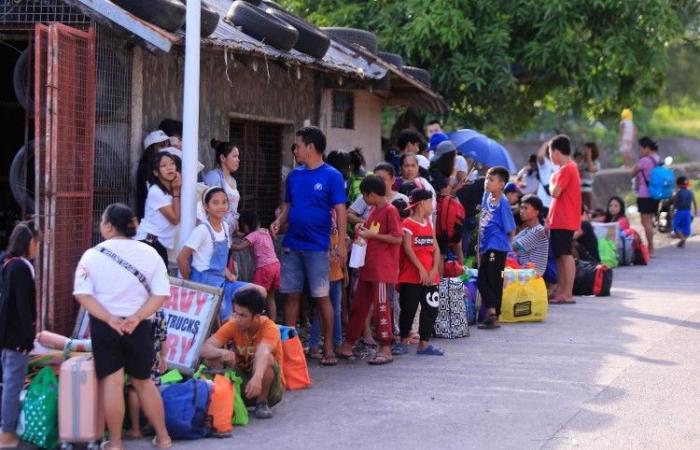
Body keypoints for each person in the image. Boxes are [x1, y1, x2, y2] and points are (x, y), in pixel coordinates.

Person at [73, 203, 171, 450]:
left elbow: (82, 295)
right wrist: (138, 317)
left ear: (108, 226)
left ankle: (115, 443)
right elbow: (161, 294)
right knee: (144, 382)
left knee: (113, 383)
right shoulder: (150, 253)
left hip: (107, 328)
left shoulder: (92, 255)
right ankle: (163, 438)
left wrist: (108, 318)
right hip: (139, 327)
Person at [270, 126, 347, 366]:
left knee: (322, 298)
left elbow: (340, 211)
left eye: (298, 145)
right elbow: (289, 205)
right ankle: (288, 350)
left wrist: (342, 243)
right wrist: (279, 220)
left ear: (310, 147)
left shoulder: (332, 176)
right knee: (291, 297)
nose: (295, 150)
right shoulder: (294, 176)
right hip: (292, 244)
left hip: (318, 247)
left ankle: (329, 349)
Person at [337, 176, 402, 365]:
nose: (363, 201)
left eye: (364, 197)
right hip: (368, 266)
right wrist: (360, 227)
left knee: (382, 307)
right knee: (359, 306)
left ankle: (385, 347)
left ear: (371, 195)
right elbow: (370, 232)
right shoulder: (374, 211)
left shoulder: (390, 211)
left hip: (382, 269)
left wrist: (373, 235)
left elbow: (397, 238)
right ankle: (348, 344)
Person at [200, 286, 284, 419]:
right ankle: (226, 399)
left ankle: (262, 403)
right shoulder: (234, 324)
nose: (237, 318)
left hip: (269, 388)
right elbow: (205, 348)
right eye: (235, 313)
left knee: (266, 359)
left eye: (243, 315)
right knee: (211, 358)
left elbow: (264, 352)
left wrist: (257, 377)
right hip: (243, 382)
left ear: (256, 317)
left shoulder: (270, 328)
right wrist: (221, 352)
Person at [0, 223, 40, 449]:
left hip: (6, 336)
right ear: (29, 243)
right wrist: (28, 338)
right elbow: (24, 308)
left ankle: (6, 429)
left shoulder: (7, 264)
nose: (36, 248)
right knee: (13, 385)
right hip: (16, 339)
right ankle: (7, 435)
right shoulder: (22, 268)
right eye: (36, 243)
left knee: (9, 384)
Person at [177, 187, 241, 321]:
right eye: (215, 203)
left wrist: (229, 274)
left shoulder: (225, 226)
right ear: (206, 206)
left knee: (258, 291)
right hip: (205, 282)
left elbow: (220, 262)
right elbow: (182, 259)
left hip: (222, 280)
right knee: (228, 321)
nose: (221, 206)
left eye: (224, 202)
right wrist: (191, 282)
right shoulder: (202, 230)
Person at [392, 188, 442, 356]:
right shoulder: (407, 224)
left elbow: (435, 248)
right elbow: (407, 248)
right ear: (422, 203)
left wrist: (434, 270)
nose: (432, 205)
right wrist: (421, 268)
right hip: (411, 277)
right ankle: (403, 341)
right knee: (409, 308)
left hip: (430, 277)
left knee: (430, 308)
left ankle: (424, 343)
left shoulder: (429, 223)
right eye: (430, 202)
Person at [477, 166, 516, 329]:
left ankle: (494, 314)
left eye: (491, 180)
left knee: (492, 279)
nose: (487, 182)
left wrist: (509, 250)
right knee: (483, 279)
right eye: (487, 178)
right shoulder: (486, 195)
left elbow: (511, 228)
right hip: (486, 245)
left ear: (501, 184)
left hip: (497, 248)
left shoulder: (504, 203)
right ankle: (493, 313)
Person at [308, 210, 348, 359]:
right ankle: (314, 345)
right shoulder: (319, 236)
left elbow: (341, 255)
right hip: (322, 277)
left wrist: (345, 273)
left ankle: (336, 343)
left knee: (335, 311)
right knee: (322, 312)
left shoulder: (337, 234)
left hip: (336, 276)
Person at [546, 135, 581, 304]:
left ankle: (567, 293)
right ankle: (561, 290)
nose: (551, 158)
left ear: (557, 152)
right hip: (560, 219)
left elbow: (555, 192)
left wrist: (551, 180)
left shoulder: (567, 169)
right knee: (560, 255)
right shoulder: (568, 168)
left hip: (564, 219)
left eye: (551, 153)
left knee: (565, 255)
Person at [230, 211, 281, 322]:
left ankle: (256, 323)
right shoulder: (265, 231)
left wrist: (226, 245)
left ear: (246, 225)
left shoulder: (253, 235)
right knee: (270, 297)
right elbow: (244, 235)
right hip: (276, 266)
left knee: (256, 296)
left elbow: (239, 247)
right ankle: (272, 323)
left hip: (264, 268)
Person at [126, 309, 167, 439]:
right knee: (152, 387)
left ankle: (135, 429)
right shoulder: (158, 311)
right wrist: (164, 356)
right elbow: (163, 337)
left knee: (133, 389)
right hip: (152, 354)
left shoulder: (131, 307)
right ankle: (153, 425)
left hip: (132, 352)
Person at [135, 152, 181, 266]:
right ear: (156, 172)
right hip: (149, 242)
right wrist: (176, 192)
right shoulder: (156, 191)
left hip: (158, 243)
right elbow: (175, 219)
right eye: (163, 165)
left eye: (172, 163)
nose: (169, 167)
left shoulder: (171, 189)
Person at [632, 136, 661, 257]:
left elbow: (633, 172)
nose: (640, 151)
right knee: (649, 221)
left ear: (646, 148)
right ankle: (651, 247)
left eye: (640, 148)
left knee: (646, 222)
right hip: (655, 194)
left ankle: (651, 249)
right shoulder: (657, 159)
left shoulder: (644, 161)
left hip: (644, 194)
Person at [203, 140, 241, 232]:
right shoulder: (214, 176)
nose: (238, 160)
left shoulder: (233, 180)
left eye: (238, 156)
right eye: (235, 156)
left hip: (228, 233)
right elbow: (205, 204)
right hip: (214, 231)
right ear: (223, 158)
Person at [136, 130, 171, 219]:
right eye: (162, 145)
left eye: (167, 145)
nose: (166, 148)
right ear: (151, 148)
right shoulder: (146, 166)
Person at [512, 195, 548, 275]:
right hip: (523, 272)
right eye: (521, 208)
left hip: (531, 276)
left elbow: (513, 246)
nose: (521, 211)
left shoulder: (539, 230)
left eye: (525, 208)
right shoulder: (527, 230)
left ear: (536, 212)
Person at [672, 176, 697, 248]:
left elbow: (675, 203)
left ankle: (682, 238)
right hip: (688, 212)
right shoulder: (690, 192)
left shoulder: (678, 193)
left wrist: (673, 211)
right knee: (686, 228)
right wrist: (695, 211)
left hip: (680, 212)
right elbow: (694, 202)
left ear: (678, 185)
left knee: (676, 226)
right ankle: (682, 242)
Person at [536, 140, 559, 216]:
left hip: (555, 203)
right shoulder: (545, 163)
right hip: (543, 202)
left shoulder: (561, 165)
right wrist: (548, 142)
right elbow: (540, 156)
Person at [578, 142, 600, 210]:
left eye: (586, 150)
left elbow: (591, 169)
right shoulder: (581, 162)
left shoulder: (596, 163)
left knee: (587, 210)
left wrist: (588, 157)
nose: (584, 152)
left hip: (587, 191)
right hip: (578, 190)